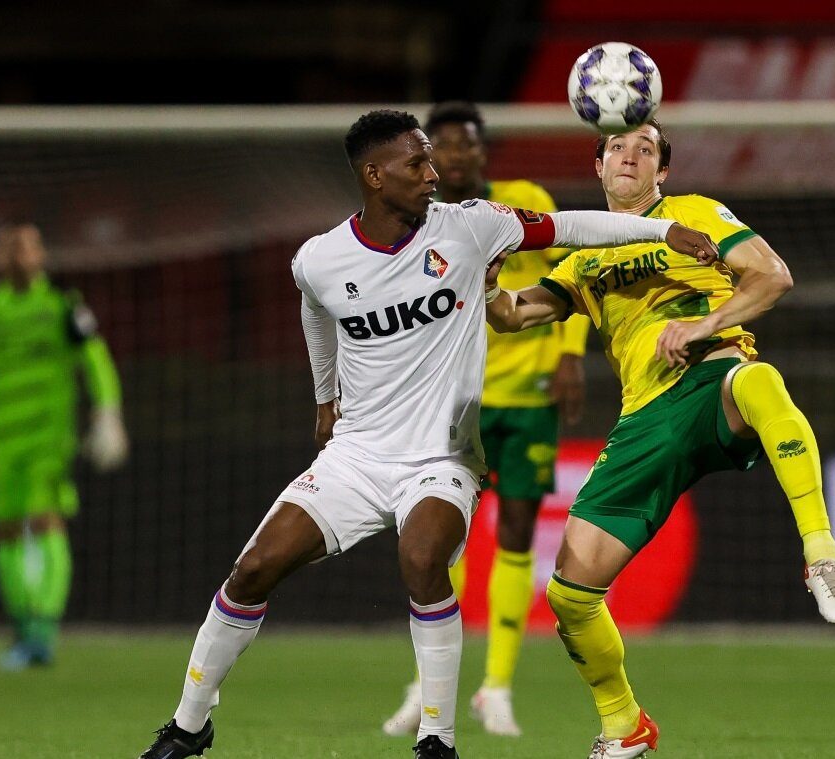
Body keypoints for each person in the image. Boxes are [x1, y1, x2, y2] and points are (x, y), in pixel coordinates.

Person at [136, 109, 721, 759]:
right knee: (252, 569)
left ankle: (435, 740)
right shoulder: (321, 260)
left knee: (422, 558)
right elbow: (315, 313)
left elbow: (574, 227)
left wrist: (665, 228)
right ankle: (190, 724)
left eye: (431, 159)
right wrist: (324, 396)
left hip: (443, 456)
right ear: (373, 174)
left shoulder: (471, 227)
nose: (431, 173)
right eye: (416, 163)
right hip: (356, 454)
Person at [483, 120, 835, 759]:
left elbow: (772, 277)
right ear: (599, 165)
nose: (629, 155)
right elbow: (513, 314)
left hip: (712, 379)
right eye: (617, 148)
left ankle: (822, 554)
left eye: (646, 150)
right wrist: (489, 279)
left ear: (662, 173)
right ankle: (623, 726)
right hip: (643, 424)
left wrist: (704, 324)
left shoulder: (694, 215)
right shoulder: (584, 259)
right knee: (570, 596)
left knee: (760, 381)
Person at [381, 101, 593, 738]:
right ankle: (426, 685)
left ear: (483, 152)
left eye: (467, 144)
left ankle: (495, 686)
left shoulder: (522, 201)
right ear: (427, 157)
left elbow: (570, 268)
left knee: (519, 535)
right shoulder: (417, 222)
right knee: (438, 538)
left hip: (526, 397)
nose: (456, 155)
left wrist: (571, 354)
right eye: (442, 145)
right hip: (451, 403)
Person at [0, 221, 128, 669]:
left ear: (41, 255)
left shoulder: (62, 306)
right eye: (10, 246)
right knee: (8, 530)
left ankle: (42, 630)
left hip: (48, 437)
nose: (18, 254)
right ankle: (24, 627)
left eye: (27, 246)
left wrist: (107, 412)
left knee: (46, 521)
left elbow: (96, 359)